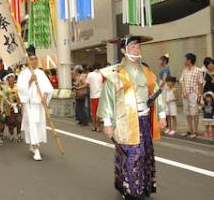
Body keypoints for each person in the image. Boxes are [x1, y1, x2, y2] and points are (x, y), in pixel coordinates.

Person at [97, 35, 166, 200]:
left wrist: (162, 114)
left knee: (145, 154)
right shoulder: (116, 73)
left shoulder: (146, 72)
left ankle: (144, 186)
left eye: (138, 46)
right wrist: (107, 122)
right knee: (131, 155)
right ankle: (131, 191)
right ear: (124, 50)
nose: (137, 49)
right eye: (133, 46)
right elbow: (107, 98)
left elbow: (157, 93)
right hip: (124, 121)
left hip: (144, 120)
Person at [17, 45, 54, 161]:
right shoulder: (23, 74)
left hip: (40, 105)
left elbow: (49, 88)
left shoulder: (41, 73)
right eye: (31, 59)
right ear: (27, 60)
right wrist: (29, 81)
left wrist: (45, 96)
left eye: (35, 59)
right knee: (32, 125)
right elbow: (21, 90)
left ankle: (34, 144)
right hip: (30, 104)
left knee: (39, 126)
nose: (34, 61)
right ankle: (36, 149)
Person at [180, 53, 204, 139]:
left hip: (194, 94)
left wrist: (199, 96)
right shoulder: (184, 70)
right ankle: (189, 130)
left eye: (185, 59)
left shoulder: (198, 70)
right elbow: (182, 81)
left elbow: (200, 84)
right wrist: (184, 91)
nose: (184, 61)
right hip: (186, 95)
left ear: (189, 60)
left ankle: (195, 131)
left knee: (194, 114)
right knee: (187, 113)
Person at [3, 67, 23, 142]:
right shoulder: (5, 88)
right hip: (9, 108)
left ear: (14, 79)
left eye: (12, 78)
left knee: (19, 121)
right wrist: (9, 104)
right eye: (10, 79)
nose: (11, 80)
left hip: (17, 107)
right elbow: (4, 98)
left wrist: (19, 103)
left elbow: (21, 96)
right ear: (7, 80)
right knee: (10, 122)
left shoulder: (18, 87)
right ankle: (11, 134)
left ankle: (19, 135)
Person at [86, 63, 103, 132]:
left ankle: (93, 126)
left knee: (93, 112)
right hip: (101, 95)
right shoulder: (102, 74)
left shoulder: (90, 74)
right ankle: (98, 127)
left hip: (93, 95)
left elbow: (87, 84)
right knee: (99, 112)